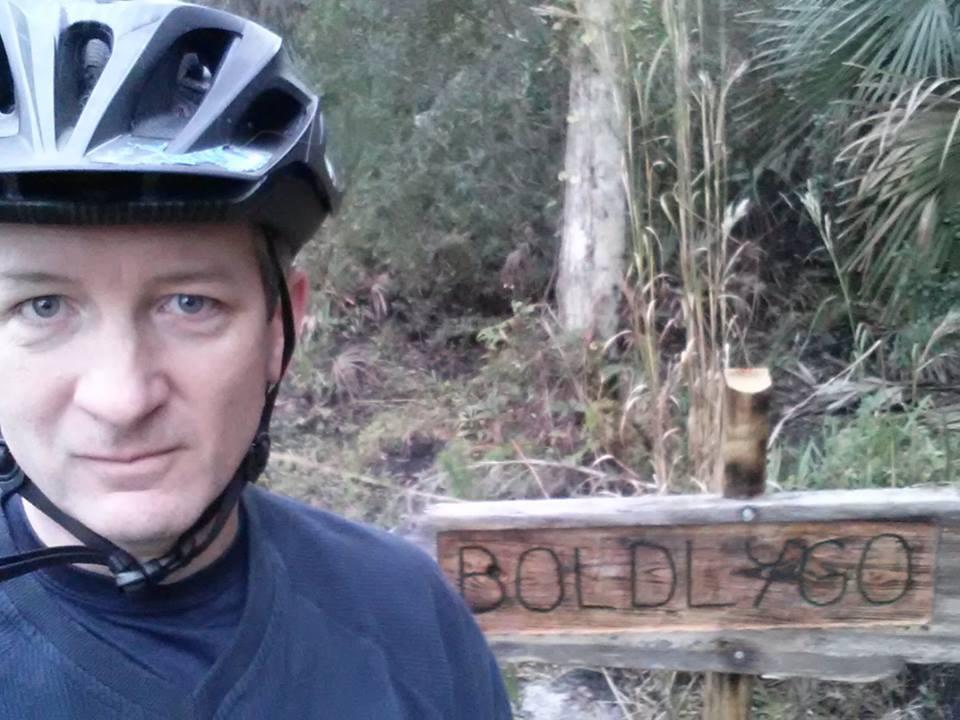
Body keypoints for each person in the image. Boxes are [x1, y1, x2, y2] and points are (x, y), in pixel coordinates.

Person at [0, 1, 513, 718]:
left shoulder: (409, 619)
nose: (121, 398)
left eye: (189, 304)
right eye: (43, 307)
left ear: (282, 325)